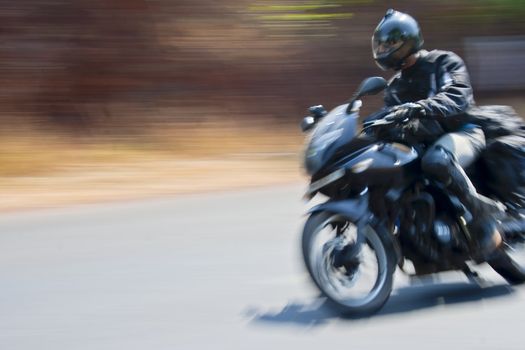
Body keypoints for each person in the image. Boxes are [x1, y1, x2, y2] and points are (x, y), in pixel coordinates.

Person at [371, 9, 503, 258]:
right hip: (424, 144)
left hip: (464, 133)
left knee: (437, 160)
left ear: (409, 39)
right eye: (380, 44)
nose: (383, 49)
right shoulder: (395, 87)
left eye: (390, 43)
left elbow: (457, 94)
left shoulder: (443, 62)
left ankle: (481, 213)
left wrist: (421, 107)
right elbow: (388, 118)